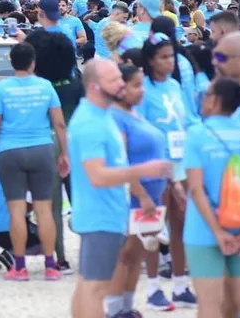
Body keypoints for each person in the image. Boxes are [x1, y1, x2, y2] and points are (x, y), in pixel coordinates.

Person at [67, 59, 173, 318]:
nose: (120, 84)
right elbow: (98, 176)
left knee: (87, 285)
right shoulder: (92, 122)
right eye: (113, 80)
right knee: (95, 288)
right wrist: (144, 170)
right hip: (101, 215)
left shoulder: (100, 116)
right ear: (94, 86)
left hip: (103, 213)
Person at [0, 42, 69, 281]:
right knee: (44, 210)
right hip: (42, 148)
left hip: (10, 151)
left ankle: (19, 266)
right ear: (33, 63)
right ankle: (50, 265)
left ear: (11, 62)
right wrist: (64, 154)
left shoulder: (2, 89)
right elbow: (59, 123)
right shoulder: (46, 86)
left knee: (16, 211)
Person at [138, 31, 196, 309]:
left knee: (181, 224)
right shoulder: (143, 90)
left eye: (171, 55)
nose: (169, 61)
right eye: (163, 57)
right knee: (152, 227)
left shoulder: (174, 86)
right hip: (154, 167)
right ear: (150, 60)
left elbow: (186, 121)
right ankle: (152, 288)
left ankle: (181, 285)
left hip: (180, 163)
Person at [105, 65, 167, 318]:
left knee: (137, 253)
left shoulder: (134, 114)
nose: (142, 90)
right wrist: (141, 194)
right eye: (136, 85)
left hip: (150, 195)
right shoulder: (117, 117)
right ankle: (115, 309)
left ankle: (127, 306)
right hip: (134, 196)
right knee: (126, 254)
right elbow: (121, 161)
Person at [184, 78, 240, 316]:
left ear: (216, 101)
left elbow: (196, 189)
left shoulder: (198, 134)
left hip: (202, 229)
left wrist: (217, 232)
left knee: (210, 304)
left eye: (207, 94)